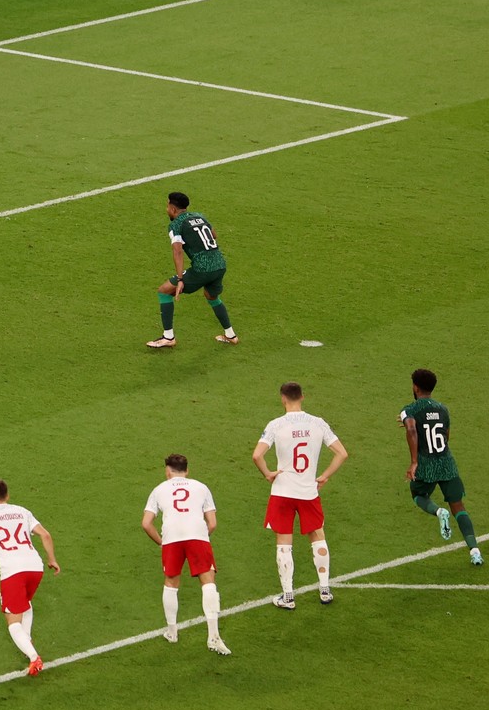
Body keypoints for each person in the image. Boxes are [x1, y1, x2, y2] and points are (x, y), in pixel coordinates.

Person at [252, 382, 349, 609]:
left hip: (282, 492)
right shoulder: (318, 423)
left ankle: (288, 597)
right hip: (308, 492)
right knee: (318, 536)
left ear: (283, 399)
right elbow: (342, 453)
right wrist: (324, 476)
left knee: (284, 542)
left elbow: (257, 455)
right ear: (302, 397)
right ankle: (324, 589)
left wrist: (268, 474)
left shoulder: (276, 425)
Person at [0, 478, 59, 676]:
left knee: (12, 620)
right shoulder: (22, 511)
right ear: (7, 496)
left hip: (13, 571)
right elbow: (45, 535)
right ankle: (27, 642)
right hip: (35, 567)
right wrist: (52, 559)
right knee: (24, 603)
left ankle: (34, 658)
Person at [142, 454, 229, 654]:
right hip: (197, 535)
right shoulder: (201, 487)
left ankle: (172, 632)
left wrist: (161, 543)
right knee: (208, 583)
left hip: (171, 538)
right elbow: (213, 523)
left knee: (171, 583)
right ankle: (214, 637)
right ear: (187, 471)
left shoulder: (159, 490)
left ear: (167, 470)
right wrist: (200, 537)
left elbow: (146, 523)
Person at [400, 369, 484, 565]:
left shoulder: (409, 410)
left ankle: (439, 512)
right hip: (446, 461)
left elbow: (412, 428)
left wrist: (414, 462)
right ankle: (475, 551)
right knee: (459, 506)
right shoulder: (443, 409)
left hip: (426, 463)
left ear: (415, 387)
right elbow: (445, 435)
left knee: (419, 495)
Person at [146, 191, 238, 349]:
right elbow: (213, 235)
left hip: (202, 269)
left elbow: (177, 251)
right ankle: (230, 335)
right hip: (220, 264)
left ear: (173, 209)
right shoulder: (199, 216)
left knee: (164, 291)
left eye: (167, 206)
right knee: (211, 296)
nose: (166, 209)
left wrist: (180, 279)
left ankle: (168, 337)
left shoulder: (176, 224)